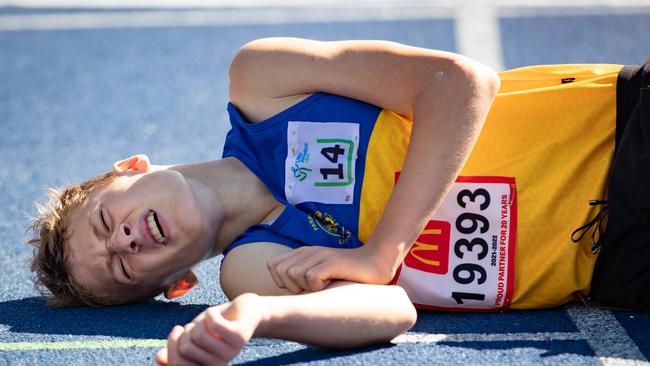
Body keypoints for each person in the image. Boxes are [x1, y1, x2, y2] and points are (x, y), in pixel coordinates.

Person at [26, 37, 649, 366]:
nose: (125, 242)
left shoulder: (264, 84)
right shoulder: (253, 266)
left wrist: (383, 250)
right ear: (180, 285)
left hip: (616, 133)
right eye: (125, 267)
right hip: (619, 264)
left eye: (107, 221)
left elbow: (460, 83)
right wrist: (257, 319)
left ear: (132, 167)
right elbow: (391, 311)